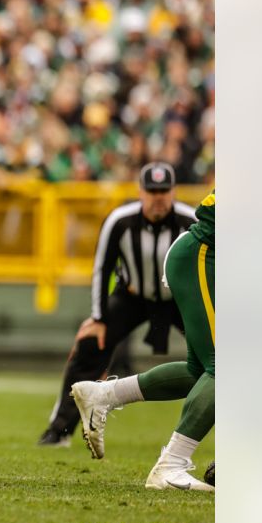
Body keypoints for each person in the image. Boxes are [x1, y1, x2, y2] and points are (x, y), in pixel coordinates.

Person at [38, 163, 197, 447]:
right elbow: (103, 268)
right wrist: (98, 317)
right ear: (140, 192)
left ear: (173, 192)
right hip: (132, 297)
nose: (158, 197)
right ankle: (59, 430)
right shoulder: (120, 220)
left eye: (163, 191)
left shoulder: (189, 221)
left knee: (216, 356)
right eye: (152, 191)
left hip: (178, 299)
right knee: (89, 345)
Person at [72, 189, 215, 491]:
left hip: (210, 258)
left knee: (201, 371)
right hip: (203, 256)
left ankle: (104, 396)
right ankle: (171, 465)